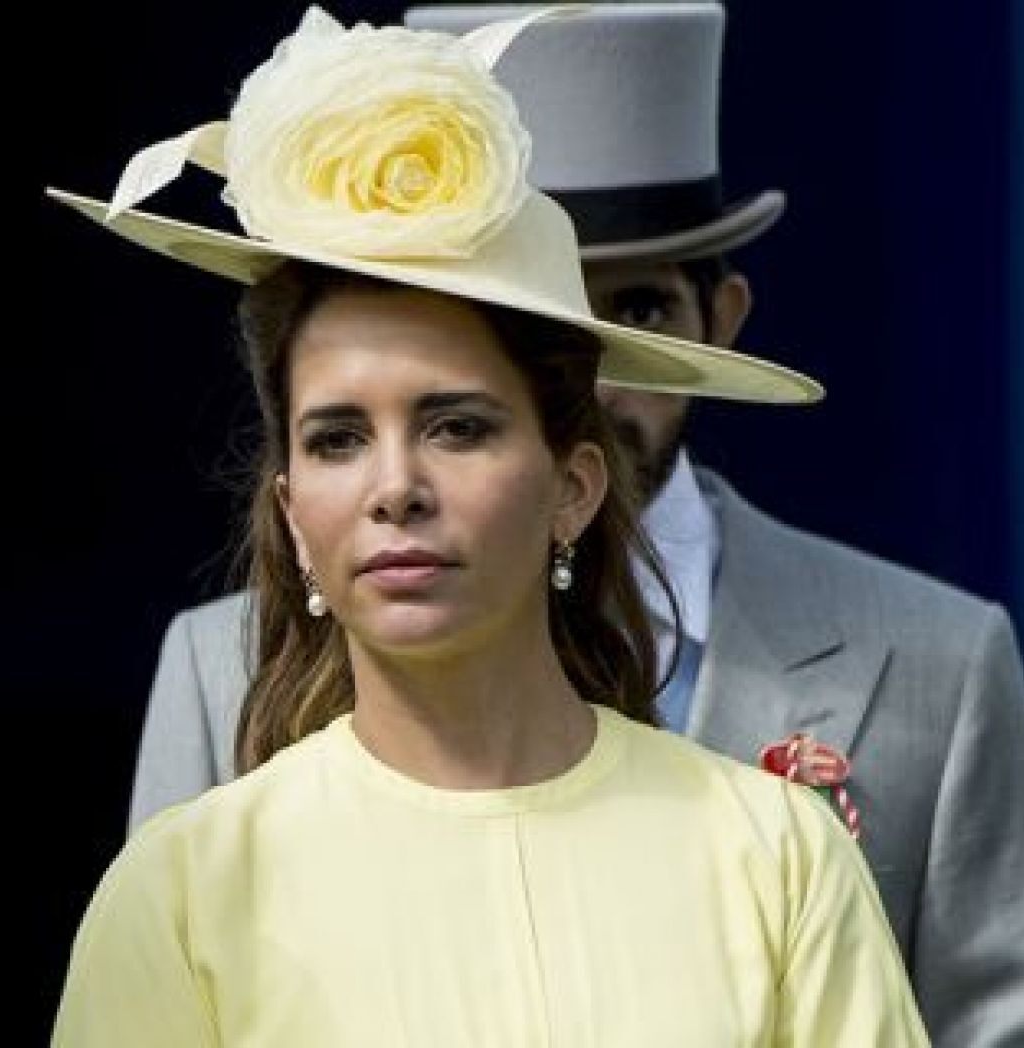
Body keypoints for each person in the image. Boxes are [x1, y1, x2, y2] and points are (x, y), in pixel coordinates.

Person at [127, 5, 1024, 1041]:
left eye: (628, 314)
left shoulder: (907, 695)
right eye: (334, 436)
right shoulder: (197, 773)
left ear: (716, 319)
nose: (595, 376)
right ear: (288, 500)